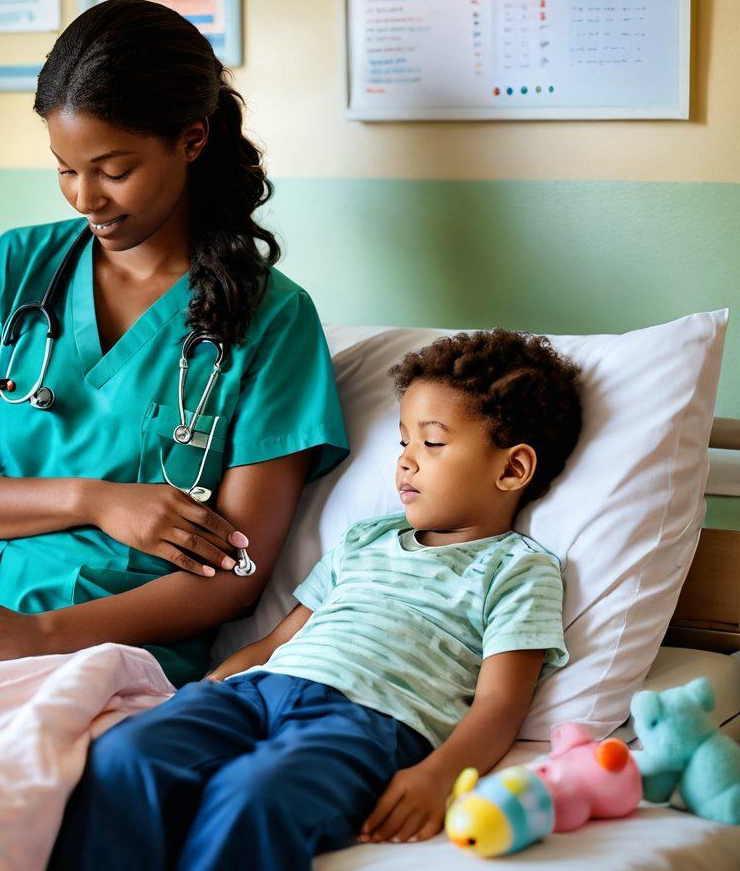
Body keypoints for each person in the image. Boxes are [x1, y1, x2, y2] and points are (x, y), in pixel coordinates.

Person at [0, 0, 349, 687]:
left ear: (191, 139)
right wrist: (92, 499)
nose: (84, 197)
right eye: (65, 168)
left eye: (113, 170)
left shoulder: (271, 321)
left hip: (99, 656)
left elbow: (235, 576)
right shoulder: (16, 270)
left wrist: (37, 634)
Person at [50, 329, 583, 871]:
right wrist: (201, 695)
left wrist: (439, 775)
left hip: (368, 724)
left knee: (253, 796)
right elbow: (278, 640)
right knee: (125, 755)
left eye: (433, 443)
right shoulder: (366, 539)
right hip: (255, 694)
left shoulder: (520, 569)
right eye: (403, 442)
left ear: (513, 469)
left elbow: (500, 703)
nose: (406, 462)